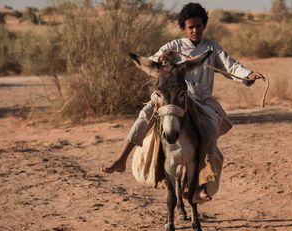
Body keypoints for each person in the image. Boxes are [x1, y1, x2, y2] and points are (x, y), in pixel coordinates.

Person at [102, 2, 265, 202]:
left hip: (201, 100)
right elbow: (152, 63)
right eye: (191, 27)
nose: (195, 30)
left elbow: (231, 66)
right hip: (173, 97)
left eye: (199, 26)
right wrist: (162, 58)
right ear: (183, 28)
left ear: (204, 25)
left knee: (210, 128)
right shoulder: (173, 47)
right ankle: (121, 159)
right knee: (145, 114)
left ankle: (201, 183)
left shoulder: (212, 48)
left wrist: (248, 74)